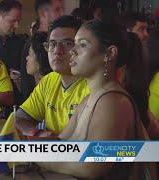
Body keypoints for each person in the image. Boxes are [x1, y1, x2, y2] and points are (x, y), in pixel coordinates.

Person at [36, 20, 150, 179]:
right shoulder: (89, 100)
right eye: (74, 44)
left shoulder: (114, 102)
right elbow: (61, 144)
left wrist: (36, 158)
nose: (72, 51)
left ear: (109, 53)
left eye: (82, 45)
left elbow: (92, 166)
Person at [15, 16, 89, 137]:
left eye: (67, 43)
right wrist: (39, 133)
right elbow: (18, 119)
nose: (57, 50)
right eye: (52, 44)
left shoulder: (91, 85)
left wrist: (53, 141)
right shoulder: (49, 80)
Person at [20, 0, 64, 101]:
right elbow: (27, 84)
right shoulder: (33, 43)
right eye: (57, 10)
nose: (62, 13)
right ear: (43, 13)